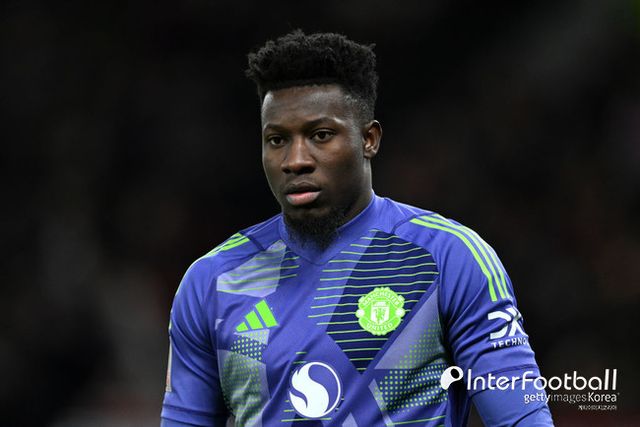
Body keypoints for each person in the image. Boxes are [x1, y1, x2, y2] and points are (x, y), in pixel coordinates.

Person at [161, 30, 554, 427]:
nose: (295, 160)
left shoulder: (449, 258)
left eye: (320, 135)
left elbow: (522, 420)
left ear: (369, 139)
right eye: (277, 140)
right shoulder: (212, 281)